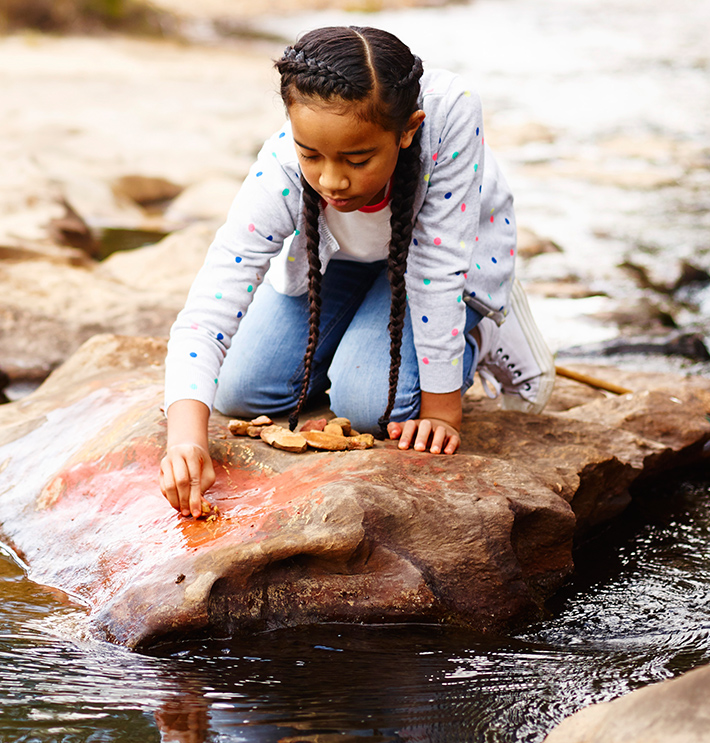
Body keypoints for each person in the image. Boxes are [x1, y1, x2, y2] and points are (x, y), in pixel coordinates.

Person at [157, 25, 555, 519]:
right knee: (242, 392)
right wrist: (185, 441)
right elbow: (211, 303)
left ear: (407, 130)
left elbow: (435, 268)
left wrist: (442, 410)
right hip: (344, 261)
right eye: (311, 155)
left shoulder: (447, 119)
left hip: (443, 263)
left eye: (358, 158)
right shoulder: (281, 169)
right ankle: (366, 317)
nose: (331, 180)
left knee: (369, 406)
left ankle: (488, 324)